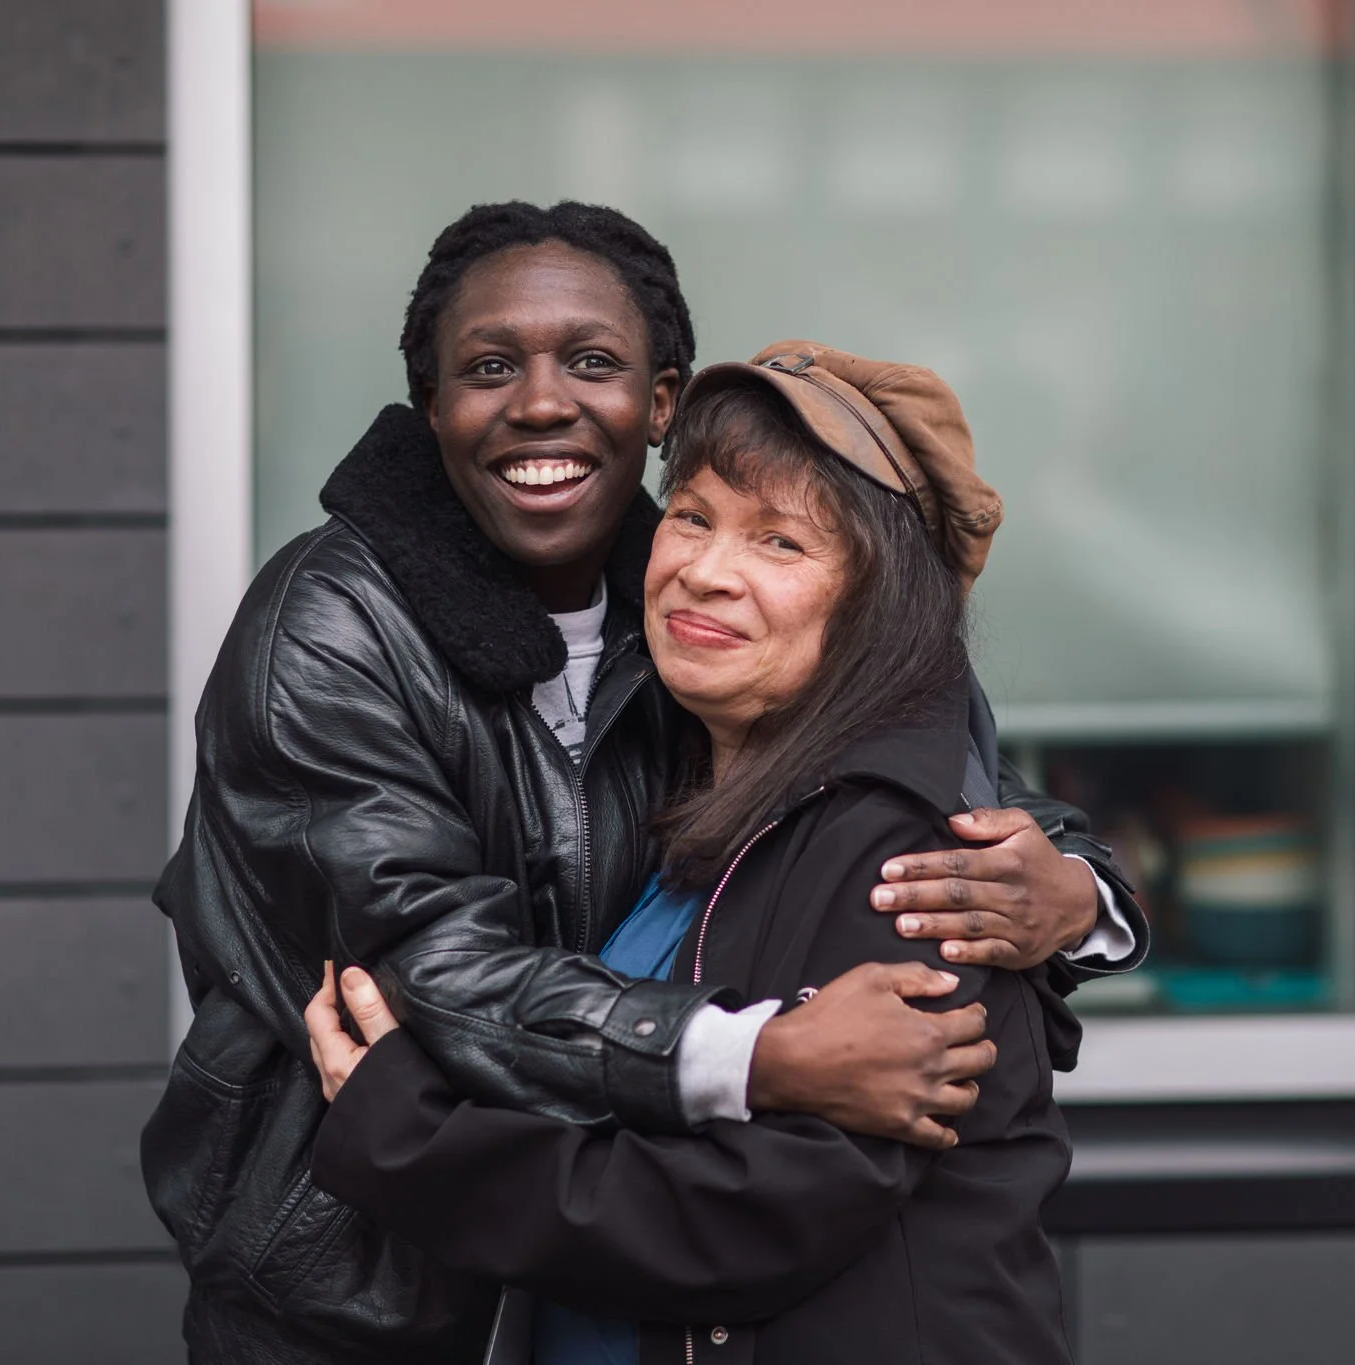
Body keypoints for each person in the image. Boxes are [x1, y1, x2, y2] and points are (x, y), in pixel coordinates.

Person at [141, 202, 1144, 1364]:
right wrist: (756, 1055)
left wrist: (1077, 890)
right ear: (429, 406)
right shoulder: (326, 635)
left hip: (580, 1264)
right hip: (360, 1288)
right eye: (486, 367)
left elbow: (936, 770)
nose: (540, 402)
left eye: (591, 362)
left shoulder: (681, 607)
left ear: (657, 403)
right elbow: (426, 978)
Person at [307, 343, 1080, 1364]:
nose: (706, 573)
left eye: (781, 544)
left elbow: (744, 1219)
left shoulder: (908, 855)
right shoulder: (684, 781)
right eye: (691, 516)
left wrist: (413, 1140)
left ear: (879, 606)